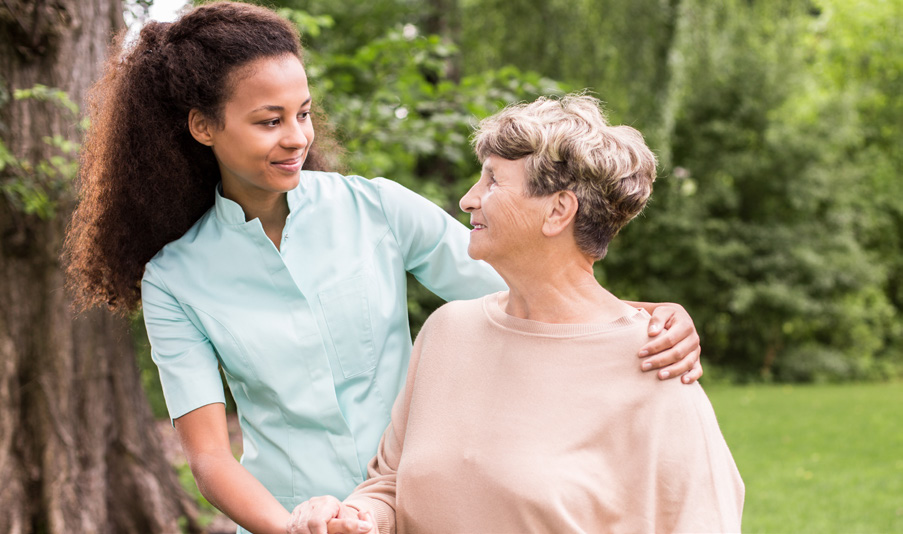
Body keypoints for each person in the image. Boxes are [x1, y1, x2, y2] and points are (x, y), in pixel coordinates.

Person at [62, 3, 704, 533]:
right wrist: (290, 529)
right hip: (287, 519)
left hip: (412, 513)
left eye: (304, 113)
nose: (297, 137)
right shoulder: (176, 279)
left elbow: (538, 290)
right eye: (269, 121)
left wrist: (645, 318)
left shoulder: (377, 208)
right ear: (204, 127)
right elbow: (208, 457)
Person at [291, 94, 743, 534]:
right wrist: (358, 519)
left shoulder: (656, 366)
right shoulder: (448, 331)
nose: (469, 199)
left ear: (558, 210)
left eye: (492, 181)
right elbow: (389, 486)